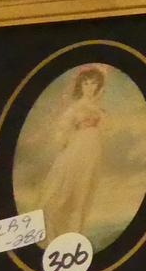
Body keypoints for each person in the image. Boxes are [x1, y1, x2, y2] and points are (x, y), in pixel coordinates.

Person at [38, 65, 107, 244]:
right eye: (86, 83)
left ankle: (76, 236)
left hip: (94, 152)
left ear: (98, 86)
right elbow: (62, 130)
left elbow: (105, 130)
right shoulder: (76, 107)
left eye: (93, 83)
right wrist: (67, 141)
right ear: (80, 85)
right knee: (66, 193)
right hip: (78, 150)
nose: (89, 87)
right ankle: (53, 233)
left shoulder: (98, 108)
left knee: (84, 194)